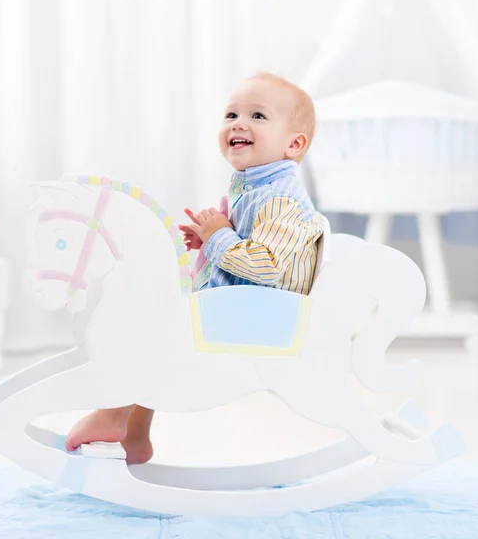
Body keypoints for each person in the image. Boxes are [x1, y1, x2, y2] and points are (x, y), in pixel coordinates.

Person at [65, 72, 324, 464]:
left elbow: (268, 265)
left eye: (257, 116)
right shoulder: (255, 186)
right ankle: (134, 433)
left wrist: (221, 237)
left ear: (294, 144)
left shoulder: (279, 198)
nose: (239, 123)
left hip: (262, 317)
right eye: (231, 114)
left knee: (155, 324)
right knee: (151, 312)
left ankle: (115, 415)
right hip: (244, 306)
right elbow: (256, 248)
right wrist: (212, 238)